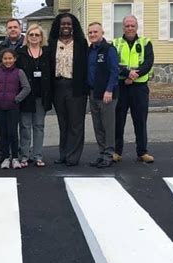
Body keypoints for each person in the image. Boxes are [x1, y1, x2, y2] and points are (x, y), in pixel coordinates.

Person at [48, 12, 89, 167]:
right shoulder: (52, 43)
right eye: (63, 24)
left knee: (76, 124)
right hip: (58, 87)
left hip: (75, 88)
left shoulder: (80, 43)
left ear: (74, 26)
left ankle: (73, 156)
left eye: (69, 24)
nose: (66, 26)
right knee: (63, 123)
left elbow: (86, 67)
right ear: (58, 26)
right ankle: (63, 154)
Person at [113, 15, 155, 163]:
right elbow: (114, 63)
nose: (130, 28)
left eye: (132, 25)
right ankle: (116, 152)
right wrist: (127, 74)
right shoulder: (115, 43)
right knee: (118, 120)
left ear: (137, 27)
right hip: (121, 87)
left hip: (139, 87)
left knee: (140, 120)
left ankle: (142, 152)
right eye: (127, 25)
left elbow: (148, 63)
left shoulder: (145, 42)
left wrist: (134, 76)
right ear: (122, 27)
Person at [0, 48, 31, 169]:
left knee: (13, 132)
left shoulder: (19, 72)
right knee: (3, 132)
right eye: (5, 58)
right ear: (2, 59)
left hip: (13, 107)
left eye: (10, 58)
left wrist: (17, 99)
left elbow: (26, 88)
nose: (8, 61)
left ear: (15, 59)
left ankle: (15, 157)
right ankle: (6, 157)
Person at [16, 24, 52, 167]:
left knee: (39, 126)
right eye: (31, 35)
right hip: (26, 95)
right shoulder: (21, 53)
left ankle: (37, 155)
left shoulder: (47, 52)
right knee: (25, 126)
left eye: (37, 35)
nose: (34, 37)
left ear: (41, 37)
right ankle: (24, 155)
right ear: (27, 36)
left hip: (42, 96)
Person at [87, 22, 119, 168]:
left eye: (95, 32)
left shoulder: (109, 49)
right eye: (90, 33)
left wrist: (109, 90)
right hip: (93, 93)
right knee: (98, 126)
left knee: (108, 126)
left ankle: (109, 154)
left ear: (102, 33)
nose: (93, 35)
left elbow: (114, 70)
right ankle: (101, 153)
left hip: (107, 94)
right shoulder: (90, 50)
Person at [0, 18, 25, 163]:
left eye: (15, 27)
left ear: (20, 28)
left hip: (20, 92)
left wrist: (18, 97)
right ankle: (4, 153)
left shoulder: (26, 44)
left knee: (21, 127)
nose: (13, 29)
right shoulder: (2, 46)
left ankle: (20, 153)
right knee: (4, 129)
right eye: (10, 27)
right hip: (3, 95)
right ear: (7, 30)